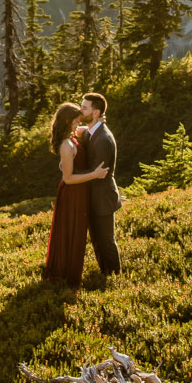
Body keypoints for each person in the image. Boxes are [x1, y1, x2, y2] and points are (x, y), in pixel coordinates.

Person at [42, 101, 105, 288]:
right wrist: (94, 175)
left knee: (76, 231)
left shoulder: (72, 135)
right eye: (76, 121)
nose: (79, 124)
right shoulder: (66, 146)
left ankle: (68, 270)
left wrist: (97, 121)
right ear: (68, 121)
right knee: (72, 231)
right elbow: (68, 178)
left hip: (79, 191)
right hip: (72, 193)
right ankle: (65, 274)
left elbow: (84, 129)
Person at [76, 91, 121, 278]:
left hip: (102, 198)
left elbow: (98, 173)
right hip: (95, 198)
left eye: (84, 108)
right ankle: (105, 273)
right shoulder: (93, 131)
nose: (81, 110)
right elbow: (84, 133)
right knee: (97, 240)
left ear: (96, 113)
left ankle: (114, 276)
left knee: (106, 241)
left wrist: (71, 175)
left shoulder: (103, 139)